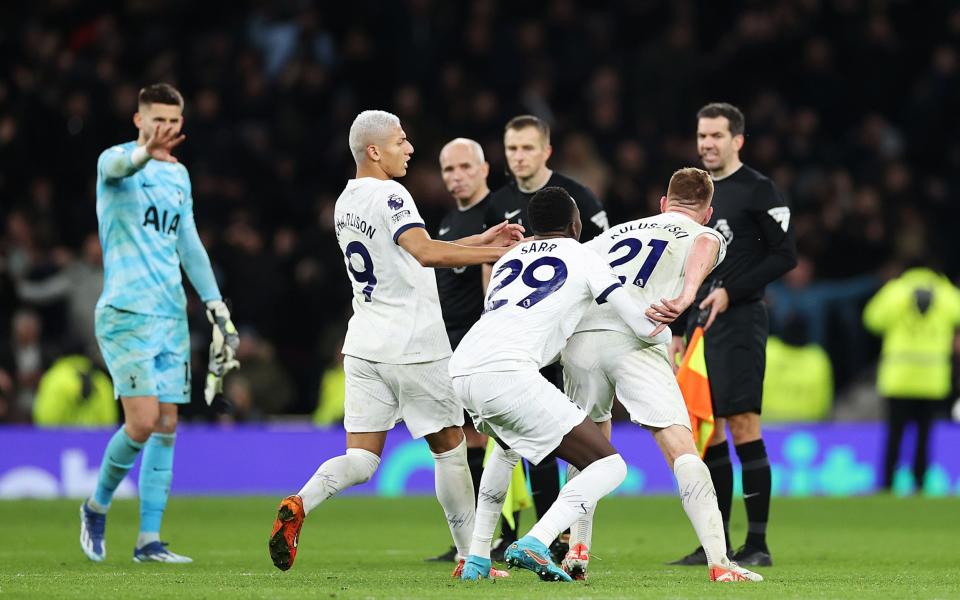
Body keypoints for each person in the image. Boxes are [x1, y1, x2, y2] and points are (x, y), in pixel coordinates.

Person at [268, 110, 522, 576]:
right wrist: (496, 252)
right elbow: (424, 253)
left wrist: (478, 238)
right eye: (401, 141)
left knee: (361, 459)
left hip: (365, 344)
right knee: (449, 446)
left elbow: (403, 254)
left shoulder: (347, 200)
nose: (409, 149)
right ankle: (471, 557)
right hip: (415, 343)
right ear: (374, 151)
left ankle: (300, 502)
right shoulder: (392, 193)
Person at [449, 187, 671, 582]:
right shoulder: (585, 256)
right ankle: (537, 540)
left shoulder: (506, 260)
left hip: (464, 366)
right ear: (576, 224)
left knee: (504, 449)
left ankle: (478, 560)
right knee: (609, 465)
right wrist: (667, 332)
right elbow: (641, 325)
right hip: (506, 373)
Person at [560, 167, 760, 583]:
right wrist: (687, 297)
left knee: (588, 442)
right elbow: (705, 244)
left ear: (664, 203)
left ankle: (577, 550)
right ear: (706, 212)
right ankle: (720, 562)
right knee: (678, 442)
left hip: (581, 339)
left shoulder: (613, 233)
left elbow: (572, 267)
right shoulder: (702, 231)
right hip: (638, 336)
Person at [79, 83, 241, 563]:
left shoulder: (180, 177)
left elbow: (188, 244)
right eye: (157, 121)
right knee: (143, 421)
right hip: (127, 312)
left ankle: (148, 540)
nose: (165, 129)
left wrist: (215, 305)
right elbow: (117, 167)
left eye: (173, 122)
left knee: (167, 425)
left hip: (171, 315)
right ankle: (95, 505)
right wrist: (142, 154)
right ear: (138, 120)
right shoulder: (117, 163)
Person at [669, 103, 797, 567]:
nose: (707, 143)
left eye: (716, 136)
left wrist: (732, 292)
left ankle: (758, 544)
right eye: (702, 135)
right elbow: (681, 267)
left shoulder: (758, 190)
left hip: (741, 320)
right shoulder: (692, 192)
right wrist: (680, 330)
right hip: (699, 327)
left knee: (742, 423)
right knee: (710, 431)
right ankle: (716, 545)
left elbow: (785, 256)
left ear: (737, 140)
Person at [481, 114, 610, 560]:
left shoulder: (580, 199)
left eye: (527, 148)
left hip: (566, 337)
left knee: (557, 437)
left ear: (546, 151)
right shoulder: (494, 203)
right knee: (523, 441)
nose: (518, 156)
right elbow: (489, 267)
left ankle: (546, 534)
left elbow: (603, 258)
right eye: (512, 148)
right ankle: (532, 534)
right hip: (516, 343)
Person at [424, 137, 497, 563]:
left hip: (480, 343)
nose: (456, 176)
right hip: (447, 346)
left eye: (464, 167)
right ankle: (473, 537)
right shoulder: (450, 221)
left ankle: (498, 533)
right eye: (448, 169)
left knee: (493, 438)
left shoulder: (495, 213)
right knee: (464, 439)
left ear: (484, 168)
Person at [863, 262, 960, 492]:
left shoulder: (895, 291)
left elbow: (871, 320)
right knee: (924, 437)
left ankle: (886, 484)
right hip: (932, 379)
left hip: (899, 377)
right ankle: (919, 484)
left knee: (895, 435)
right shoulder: (946, 293)